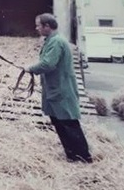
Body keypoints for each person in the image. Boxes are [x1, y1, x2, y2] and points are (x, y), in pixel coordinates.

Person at [24, 13, 93, 163]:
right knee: (59, 123)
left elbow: (48, 64)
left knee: (69, 123)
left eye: (38, 25)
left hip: (62, 89)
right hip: (56, 89)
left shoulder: (56, 42)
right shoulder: (52, 40)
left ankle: (83, 157)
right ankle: (72, 155)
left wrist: (30, 68)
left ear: (47, 26)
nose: (36, 28)